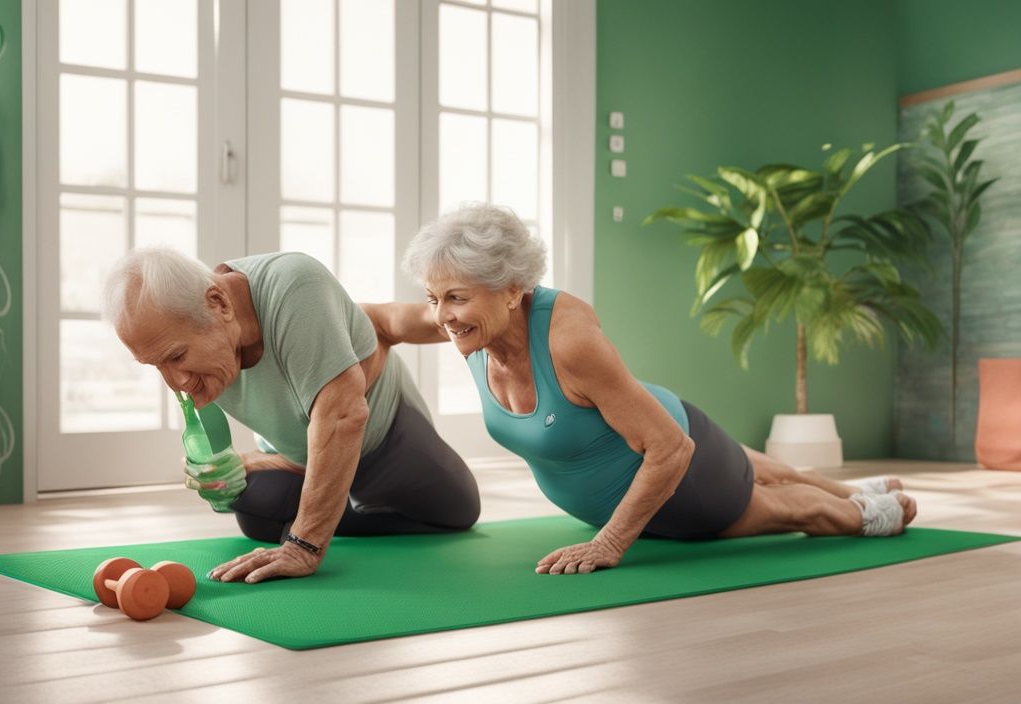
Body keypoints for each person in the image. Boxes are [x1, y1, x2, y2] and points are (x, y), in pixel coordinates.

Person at [368, 203, 917, 575]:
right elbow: (381, 320)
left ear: (511, 291)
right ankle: (846, 487)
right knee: (779, 471)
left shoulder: (568, 340)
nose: (441, 316)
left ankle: (874, 512)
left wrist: (608, 543)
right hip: (646, 446)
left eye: (455, 298)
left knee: (794, 511)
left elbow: (671, 450)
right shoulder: (463, 320)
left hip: (684, 480)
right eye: (434, 297)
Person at [103, 249, 480, 583]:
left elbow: (344, 417)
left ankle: (333, 510)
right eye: (156, 366)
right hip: (306, 454)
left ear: (218, 303)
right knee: (250, 507)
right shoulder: (199, 335)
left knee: (459, 508)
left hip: (384, 440)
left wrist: (303, 544)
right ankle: (333, 501)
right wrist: (227, 466)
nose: (176, 382)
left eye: (176, 358)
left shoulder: (294, 285)